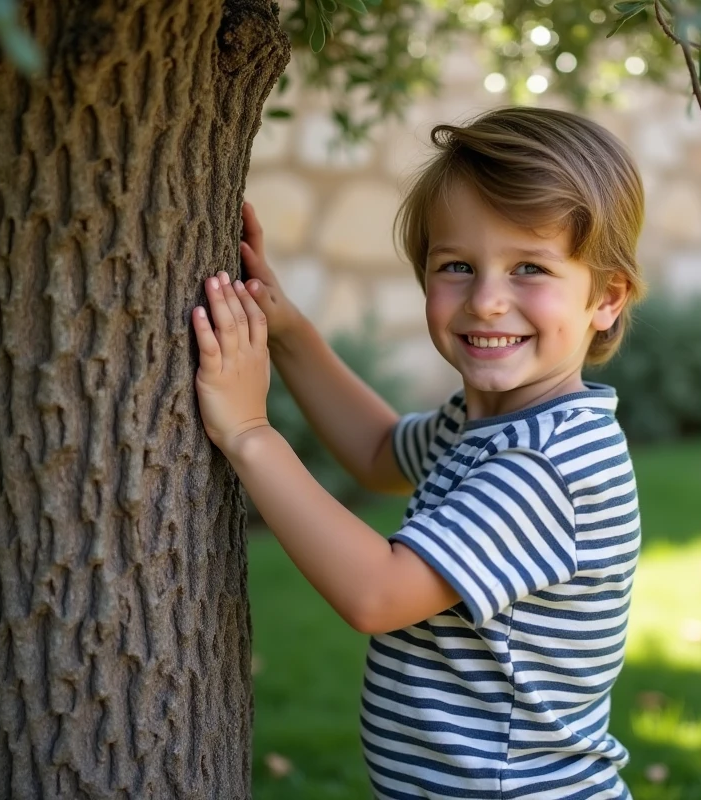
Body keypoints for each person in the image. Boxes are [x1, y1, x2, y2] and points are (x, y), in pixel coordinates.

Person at [191, 106, 647, 798]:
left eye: (529, 267)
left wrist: (250, 435)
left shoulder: (549, 461)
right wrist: (285, 330)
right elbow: (379, 452)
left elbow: (378, 592)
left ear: (606, 297)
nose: (488, 301)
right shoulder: (486, 422)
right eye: (457, 266)